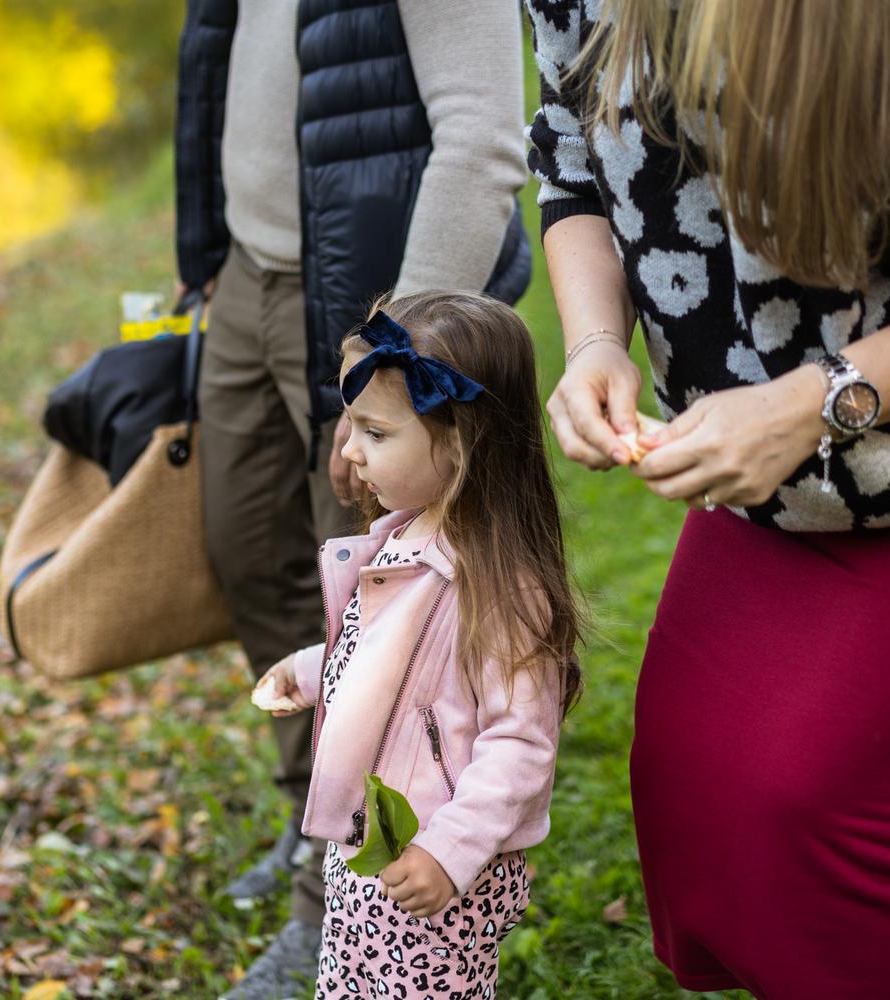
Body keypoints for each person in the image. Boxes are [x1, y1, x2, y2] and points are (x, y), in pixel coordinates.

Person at [525, 1, 890, 998]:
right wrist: (591, 346)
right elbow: (572, 152)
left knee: (807, 803)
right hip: (780, 474)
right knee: (694, 783)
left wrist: (821, 400)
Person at [173, 2, 532, 995]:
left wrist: (393, 368)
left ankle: (340, 911)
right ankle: (310, 834)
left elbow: (486, 142)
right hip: (247, 276)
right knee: (247, 551)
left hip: (369, 302)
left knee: (380, 630)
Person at [255, 291, 582, 1000]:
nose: (347, 451)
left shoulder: (499, 587)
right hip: (368, 847)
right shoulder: (405, 534)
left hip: (435, 867)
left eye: (374, 432)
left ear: (459, 444)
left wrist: (450, 850)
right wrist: (315, 672)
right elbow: (397, 665)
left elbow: (521, 745)